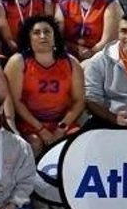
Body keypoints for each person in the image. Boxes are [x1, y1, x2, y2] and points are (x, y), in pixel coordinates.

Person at [5, 16, 85, 155]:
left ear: (55, 36)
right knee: (34, 144)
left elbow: (79, 101)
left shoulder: (71, 62)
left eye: (47, 31)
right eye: (36, 32)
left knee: (76, 144)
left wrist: (62, 127)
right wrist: (41, 129)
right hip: (29, 123)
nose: (43, 36)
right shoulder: (18, 62)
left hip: (62, 122)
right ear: (28, 38)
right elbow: (15, 101)